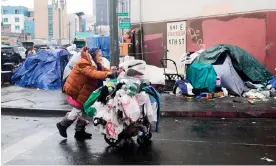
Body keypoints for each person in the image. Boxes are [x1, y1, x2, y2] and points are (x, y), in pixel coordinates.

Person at [56, 46, 115, 140]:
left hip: (86, 92)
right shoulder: (83, 63)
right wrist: (107, 74)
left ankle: (79, 132)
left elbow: (102, 70)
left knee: (87, 112)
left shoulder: (96, 64)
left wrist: (113, 71)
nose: (101, 57)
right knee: (77, 111)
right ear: (93, 55)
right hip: (77, 91)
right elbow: (93, 73)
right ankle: (62, 125)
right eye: (99, 55)